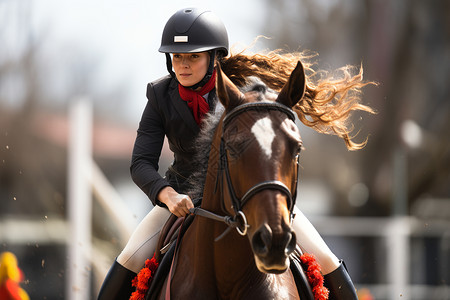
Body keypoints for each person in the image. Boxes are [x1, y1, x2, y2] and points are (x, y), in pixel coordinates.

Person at [97, 7, 374, 300]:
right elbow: (141, 162)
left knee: (327, 261)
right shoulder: (158, 95)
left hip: (251, 198)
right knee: (129, 257)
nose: (183, 65)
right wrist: (167, 195)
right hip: (180, 199)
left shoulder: (242, 98)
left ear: (214, 58)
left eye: (193, 56)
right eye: (177, 56)